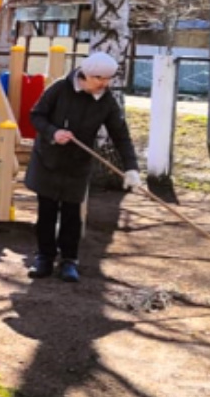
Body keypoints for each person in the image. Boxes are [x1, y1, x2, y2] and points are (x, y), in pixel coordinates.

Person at [24, 50, 142, 284]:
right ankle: (44, 257)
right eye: (99, 78)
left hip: (77, 163)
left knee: (71, 213)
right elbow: (36, 115)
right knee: (47, 211)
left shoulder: (106, 101)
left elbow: (121, 135)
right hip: (48, 159)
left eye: (108, 79)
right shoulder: (59, 89)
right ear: (85, 74)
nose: (104, 84)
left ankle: (69, 260)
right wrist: (53, 132)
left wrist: (131, 168)